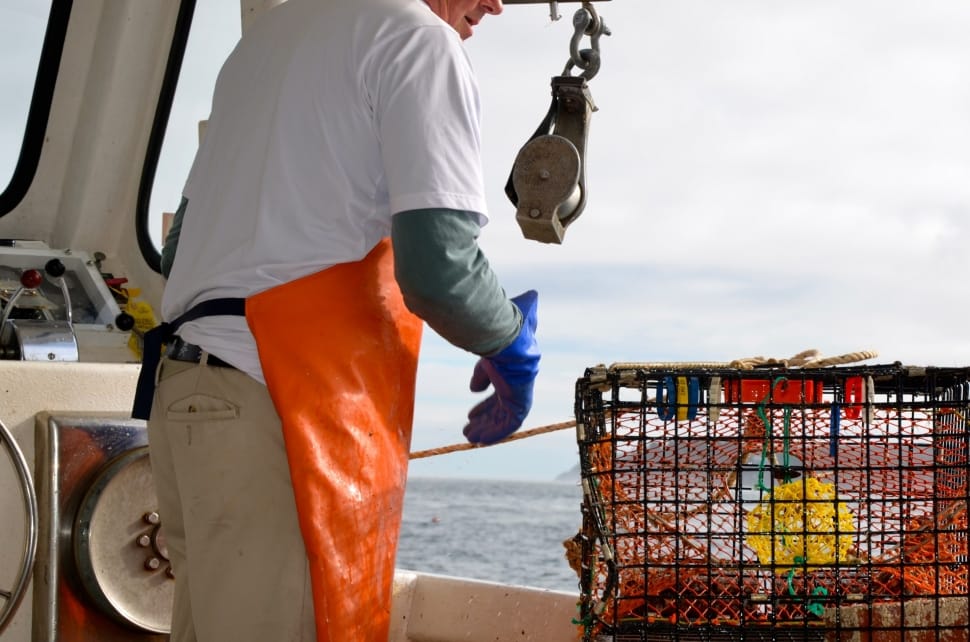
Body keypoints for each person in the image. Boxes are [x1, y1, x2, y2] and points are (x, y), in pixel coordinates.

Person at [134, 0, 540, 640]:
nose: (496, 3)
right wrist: (511, 343)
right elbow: (440, 270)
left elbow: (181, 246)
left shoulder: (265, 42)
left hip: (189, 393)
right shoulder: (420, 42)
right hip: (282, 407)